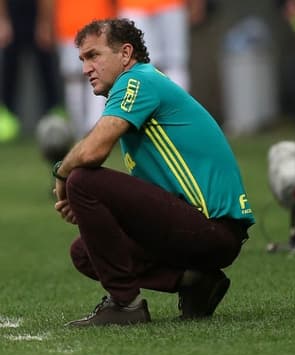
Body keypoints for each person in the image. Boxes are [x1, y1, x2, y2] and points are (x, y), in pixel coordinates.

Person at [52, 18, 255, 327]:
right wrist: (96, 213)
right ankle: (194, 281)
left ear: (125, 54)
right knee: (84, 252)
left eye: (93, 55)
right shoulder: (139, 86)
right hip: (198, 229)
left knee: (82, 179)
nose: (85, 69)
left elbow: (92, 152)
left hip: (212, 227)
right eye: (82, 59)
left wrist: (62, 172)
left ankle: (125, 305)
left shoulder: (138, 80)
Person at [51, 0, 116, 140]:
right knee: (93, 75)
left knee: (76, 80)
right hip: (91, 23)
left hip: (74, 23)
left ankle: (86, 132)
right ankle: (92, 131)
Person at [0, 0, 62, 142]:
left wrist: (45, 23)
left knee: (46, 65)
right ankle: (6, 116)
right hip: (13, 15)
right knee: (9, 67)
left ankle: (54, 112)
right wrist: (3, 21)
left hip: (36, 16)